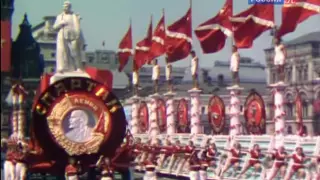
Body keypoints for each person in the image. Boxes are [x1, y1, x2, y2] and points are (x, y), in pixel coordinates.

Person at [53, 1, 83, 73]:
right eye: (65, 5)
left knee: (75, 52)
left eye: (67, 6)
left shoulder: (73, 16)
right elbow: (54, 27)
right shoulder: (60, 16)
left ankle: (78, 67)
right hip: (62, 36)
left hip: (73, 36)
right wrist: (60, 23)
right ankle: (62, 68)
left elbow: (77, 27)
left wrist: (78, 36)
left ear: (70, 7)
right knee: (62, 52)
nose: (66, 7)